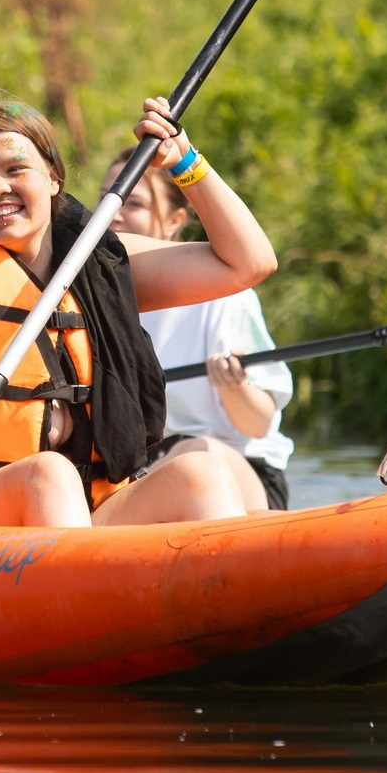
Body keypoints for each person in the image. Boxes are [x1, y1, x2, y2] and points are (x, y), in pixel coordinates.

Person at [0, 96, 277, 528]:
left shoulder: (100, 270)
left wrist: (184, 161)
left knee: (201, 472)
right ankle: (84, 597)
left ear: (53, 178)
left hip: (78, 517)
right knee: (48, 474)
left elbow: (248, 263)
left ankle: (224, 599)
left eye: (15, 169)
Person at [107, 156, 289, 512]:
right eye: (109, 198)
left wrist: (233, 387)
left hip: (235, 469)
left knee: (194, 457)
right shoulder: (95, 297)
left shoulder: (226, 296)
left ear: (175, 221)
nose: (114, 214)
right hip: (143, 471)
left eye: (135, 203)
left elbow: (258, 423)